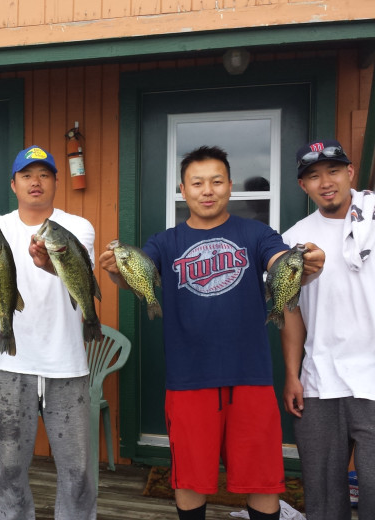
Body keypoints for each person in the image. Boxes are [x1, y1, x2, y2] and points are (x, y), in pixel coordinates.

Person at [99, 146, 324, 520]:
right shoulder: (164, 241)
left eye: (216, 181)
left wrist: (303, 265)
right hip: (189, 379)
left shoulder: (256, 233)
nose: (208, 190)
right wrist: (113, 270)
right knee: (190, 479)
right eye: (197, 182)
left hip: (250, 376)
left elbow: (279, 261)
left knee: (262, 479)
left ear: (230, 186)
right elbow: (134, 275)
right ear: (183, 190)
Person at [0, 145, 98, 520]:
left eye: (43, 175)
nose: (35, 182)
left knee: (76, 471)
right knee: (9, 468)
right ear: (13, 183)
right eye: (27, 175)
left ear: (56, 181)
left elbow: (75, 277)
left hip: (66, 362)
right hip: (10, 362)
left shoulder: (77, 227)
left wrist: (49, 261)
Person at [281, 139, 375, 520]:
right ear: (303, 186)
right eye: (313, 176)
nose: (326, 182)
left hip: (372, 378)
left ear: (350, 173)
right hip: (320, 379)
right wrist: (292, 375)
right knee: (321, 492)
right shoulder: (293, 240)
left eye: (333, 171)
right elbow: (292, 314)